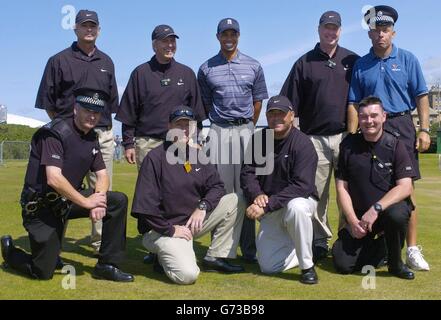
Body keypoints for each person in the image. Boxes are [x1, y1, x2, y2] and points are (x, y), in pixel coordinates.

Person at [1, 88, 133, 282]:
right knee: (43, 271)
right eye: (87, 110)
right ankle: (10, 252)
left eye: (96, 112)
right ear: (75, 109)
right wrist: (87, 203)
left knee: (117, 200)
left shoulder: (91, 137)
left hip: (65, 202)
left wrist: (100, 198)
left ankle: (107, 265)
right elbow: (54, 178)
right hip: (41, 208)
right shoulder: (54, 133)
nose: (92, 116)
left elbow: (103, 175)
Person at [347, 5, 430, 271]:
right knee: (366, 185)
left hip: (401, 124)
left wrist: (424, 129)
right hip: (370, 128)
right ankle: (375, 247)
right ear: (369, 34)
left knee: (407, 191)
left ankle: (412, 250)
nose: (380, 34)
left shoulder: (408, 59)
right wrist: (351, 136)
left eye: (385, 30)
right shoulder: (361, 64)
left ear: (393, 32)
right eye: (376, 30)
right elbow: (353, 103)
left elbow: (421, 96)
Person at [35, 9, 119, 255]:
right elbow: (49, 103)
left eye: (93, 26)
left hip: (101, 134)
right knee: (60, 188)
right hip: (66, 137)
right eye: (84, 26)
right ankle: (51, 241)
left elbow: (111, 103)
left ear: (99, 30)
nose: (89, 30)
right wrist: (66, 130)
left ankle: (99, 243)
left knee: (103, 188)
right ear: (76, 29)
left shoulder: (107, 62)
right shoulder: (58, 60)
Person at [131, 107, 245, 285]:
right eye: (179, 124)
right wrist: (171, 230)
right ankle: (160, 256)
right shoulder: (154, 158)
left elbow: (217, 186)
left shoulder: (197, 155)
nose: (184, 129)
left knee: (235, 200)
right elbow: (145, 207)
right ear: (169, 126)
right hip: (162, 230)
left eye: (188, 125)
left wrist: (203, 206)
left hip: (191, 223)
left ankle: (215, 257)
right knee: (188, 275)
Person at [280, 11, 359, 262]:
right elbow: (288, 103)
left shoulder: (352, 60)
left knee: (349, 191)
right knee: (316, 194)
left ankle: (347, 237)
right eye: (327, 27)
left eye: (335, 28)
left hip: (347, 137)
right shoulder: (304, 63)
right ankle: (319, 241)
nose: (331, 32)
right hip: (313, 139)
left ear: (340, 30)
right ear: (319, 29)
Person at [198, 18, 268, 262]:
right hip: (218, 130)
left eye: (233, 34)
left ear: (239, 36)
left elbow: (258, 100)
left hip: (246, 129)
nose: (229, 38)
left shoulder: (253, 65)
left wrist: (247, 124)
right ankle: (222, 248)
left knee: (249, 188)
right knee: (221, 191)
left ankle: (249, 250)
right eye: (224, 34)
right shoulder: (206, 68)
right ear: (218, 36)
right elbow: (205, 103)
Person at [333, 96, 415, 280]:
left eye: (374, 116)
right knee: (343, 264)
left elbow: (405, 187)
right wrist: (353, 221)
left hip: (385, 214)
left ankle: (395, 264)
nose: (369, 121)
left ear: (384, 117)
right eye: (363, 117)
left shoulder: (396, 145)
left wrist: (376, 208)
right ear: (358, 119)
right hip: (360, 219)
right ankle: (381, 249)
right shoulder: (348, 146)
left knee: (398, 213)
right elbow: (341, 188)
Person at [240, 96, 319, 284]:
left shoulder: (303, 143)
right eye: (272, 114)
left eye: (281, 114)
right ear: (266, 117)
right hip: (270, 205)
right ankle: (300, 245)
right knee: (268, 267)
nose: (276, 118)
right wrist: (257, 195)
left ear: (291, 116)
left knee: (296, 208)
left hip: (299, 201)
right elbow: (247, 173)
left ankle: (307, 266)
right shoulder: (259, 139)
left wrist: (266, 205)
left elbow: (302, 186)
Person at [116, 24, 206, 170]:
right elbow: (129, 112)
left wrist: (197, 140)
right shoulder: (141, 73)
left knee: (182, 187)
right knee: (149, 189)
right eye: (165, 41)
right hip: (147, 143)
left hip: (181, 141)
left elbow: (197, 112)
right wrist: (128, 144)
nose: (170, 45)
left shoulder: (187, 73)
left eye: (173, 41)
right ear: (154, 45)